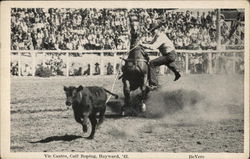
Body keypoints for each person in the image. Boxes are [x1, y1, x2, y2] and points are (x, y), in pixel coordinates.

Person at [140, 22, 181, 89]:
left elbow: (153, 47)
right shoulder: (157, 36)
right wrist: (144, 43)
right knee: (168, 63)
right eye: (152, 30)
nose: (152, 32)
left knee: (151, 64)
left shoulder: (161, 37)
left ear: (158, 29)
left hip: (169, 55)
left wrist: (143, 45)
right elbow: (151, 42)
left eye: (153, 30)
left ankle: (154, 84)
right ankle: (177, 72)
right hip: (169, 54)